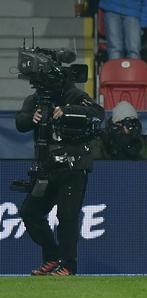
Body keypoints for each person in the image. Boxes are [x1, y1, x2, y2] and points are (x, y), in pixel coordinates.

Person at [14, 69, 104, 276]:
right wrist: (32, 117)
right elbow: (20, 123)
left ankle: (68, 265)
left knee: (67, 216)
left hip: (73, 165)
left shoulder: (73, 95)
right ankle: (52, 257)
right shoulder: (36, 99)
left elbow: (98, 112)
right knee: (30, 212)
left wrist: (68, 110)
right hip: (46, 167)